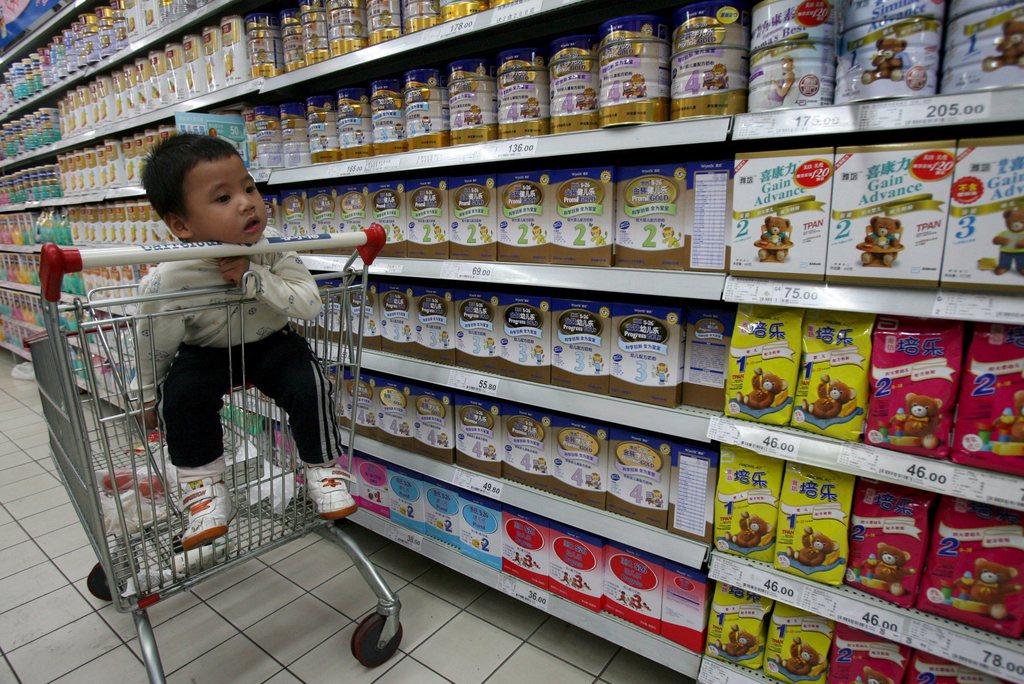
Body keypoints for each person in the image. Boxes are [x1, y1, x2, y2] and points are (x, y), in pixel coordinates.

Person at [138, 133, 355, 551]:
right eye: (223, 198)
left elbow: (309, 304)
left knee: (310, 381)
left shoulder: (271, 249)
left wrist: (253, 278)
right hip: (205, 351)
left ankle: (323, 469)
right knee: (182, 396)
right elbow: (155, 342)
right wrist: (147, 395)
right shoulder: (171, 277)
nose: (246, 203)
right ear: (181, 225)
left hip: (270, 340)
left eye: (249, 187)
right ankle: (203, 490)